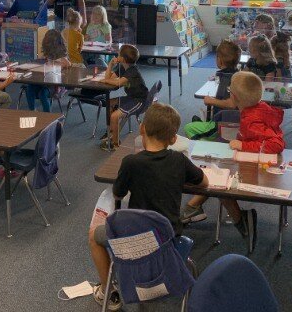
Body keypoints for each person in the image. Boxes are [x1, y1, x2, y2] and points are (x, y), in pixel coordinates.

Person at [88, 103, 208, 310]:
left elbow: (117, 194)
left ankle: (109, 292)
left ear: (142, 128)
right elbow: (204, 183)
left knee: (93, 236)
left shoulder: (131, 162)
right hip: (167, 239)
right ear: (173, 138)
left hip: (133, 239)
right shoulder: (179, 160)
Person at [181, 72, 284, 253]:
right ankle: (195, 208)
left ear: (234, 97)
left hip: (260, 167)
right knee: (219, 176)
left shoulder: (252, 119)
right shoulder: (255, 109)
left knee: (221, 183)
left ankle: (237, 221)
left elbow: (276, 144)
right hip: (249, 159)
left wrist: (244, 144)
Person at [184, 40, 242, 139]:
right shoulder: (236, 74)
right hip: (230, 119)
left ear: (220, 60)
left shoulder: (227, 79)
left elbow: (231, 104)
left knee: (188, 128)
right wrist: (216, 78)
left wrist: (211, 101)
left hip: (222, 124)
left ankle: (207, 142)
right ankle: (205, 126)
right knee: (197, 120)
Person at [102, 44, 149, 151]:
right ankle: (112, 132)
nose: (117, 55)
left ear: (122, 59)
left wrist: (105, 81)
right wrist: (110, 65)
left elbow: (118, 82)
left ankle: (115, 144)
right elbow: (109, 77)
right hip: (131, 97)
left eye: (118, 54)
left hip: (140, 101)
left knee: (114, 116)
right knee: (110, 103)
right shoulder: (123, 67)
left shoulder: (133, 71)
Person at [25, 29, 71, 112]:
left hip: (55, 86)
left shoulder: (62, 56)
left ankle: (47, 116)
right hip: (43, 81)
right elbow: (43, 62)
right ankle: (32, 110)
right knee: (29, 88)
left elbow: (68, 64)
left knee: (43, 94)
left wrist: (57, 63)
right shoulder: (47, 55)